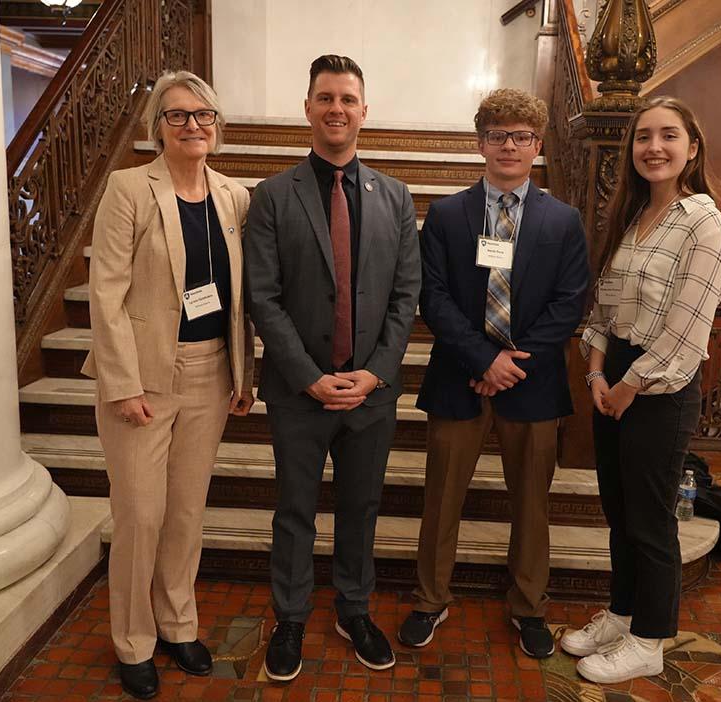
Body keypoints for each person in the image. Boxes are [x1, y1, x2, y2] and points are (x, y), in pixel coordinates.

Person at [244, 55, 420, 681]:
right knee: (294, 508)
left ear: (364, 111)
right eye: (325, 97)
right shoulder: (271, 195)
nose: (336, 109)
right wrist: (308, 375)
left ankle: (354, 607)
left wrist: (374, 373)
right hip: (300, 391)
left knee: (361, 506)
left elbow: (406, 297)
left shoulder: (395, 198)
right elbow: (261, 296)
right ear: (308, 107)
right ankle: (290, 615)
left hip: (370, 392)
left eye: (348, 98)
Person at [82, 70, 255, 699]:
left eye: (203, 115)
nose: (192, 126)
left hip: (211, 371)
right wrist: (122, 383)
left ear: (218, 125)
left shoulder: (235, 196)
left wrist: (243, 372)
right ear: (158, 125)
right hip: (145, 378)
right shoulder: (129, 187)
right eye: (178, 115)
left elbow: (243, 299)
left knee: (185, 512)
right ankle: (132, 640)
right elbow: (106, 292)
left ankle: (178, 624)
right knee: (140, 515)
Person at [398, 89, 589, 658]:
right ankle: (431, 599)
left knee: (532, 502)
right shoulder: (449, 215)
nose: (510, 145)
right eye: (498, 135)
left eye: (522, 137)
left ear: (537, 145)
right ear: (480, 143)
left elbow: (570, 301)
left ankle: (529, 606)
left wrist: (511, 362)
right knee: (442, 500)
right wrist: (483, 360)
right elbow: (431, 297)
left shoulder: (564, 220)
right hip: (460, 376)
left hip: (532, 383)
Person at [562, 96, 721, 683]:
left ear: (692, 147)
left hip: (661, 387)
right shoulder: (633, 220)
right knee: (619, 510)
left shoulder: (705, 224)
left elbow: (688, 330)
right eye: (642, 137)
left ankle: (649, 640)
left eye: (668, 136)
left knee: (653, 519)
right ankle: (623, 612)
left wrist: (629, 386)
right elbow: (603, 314)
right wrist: (595, 374)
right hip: (614, 377)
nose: (653, 148)